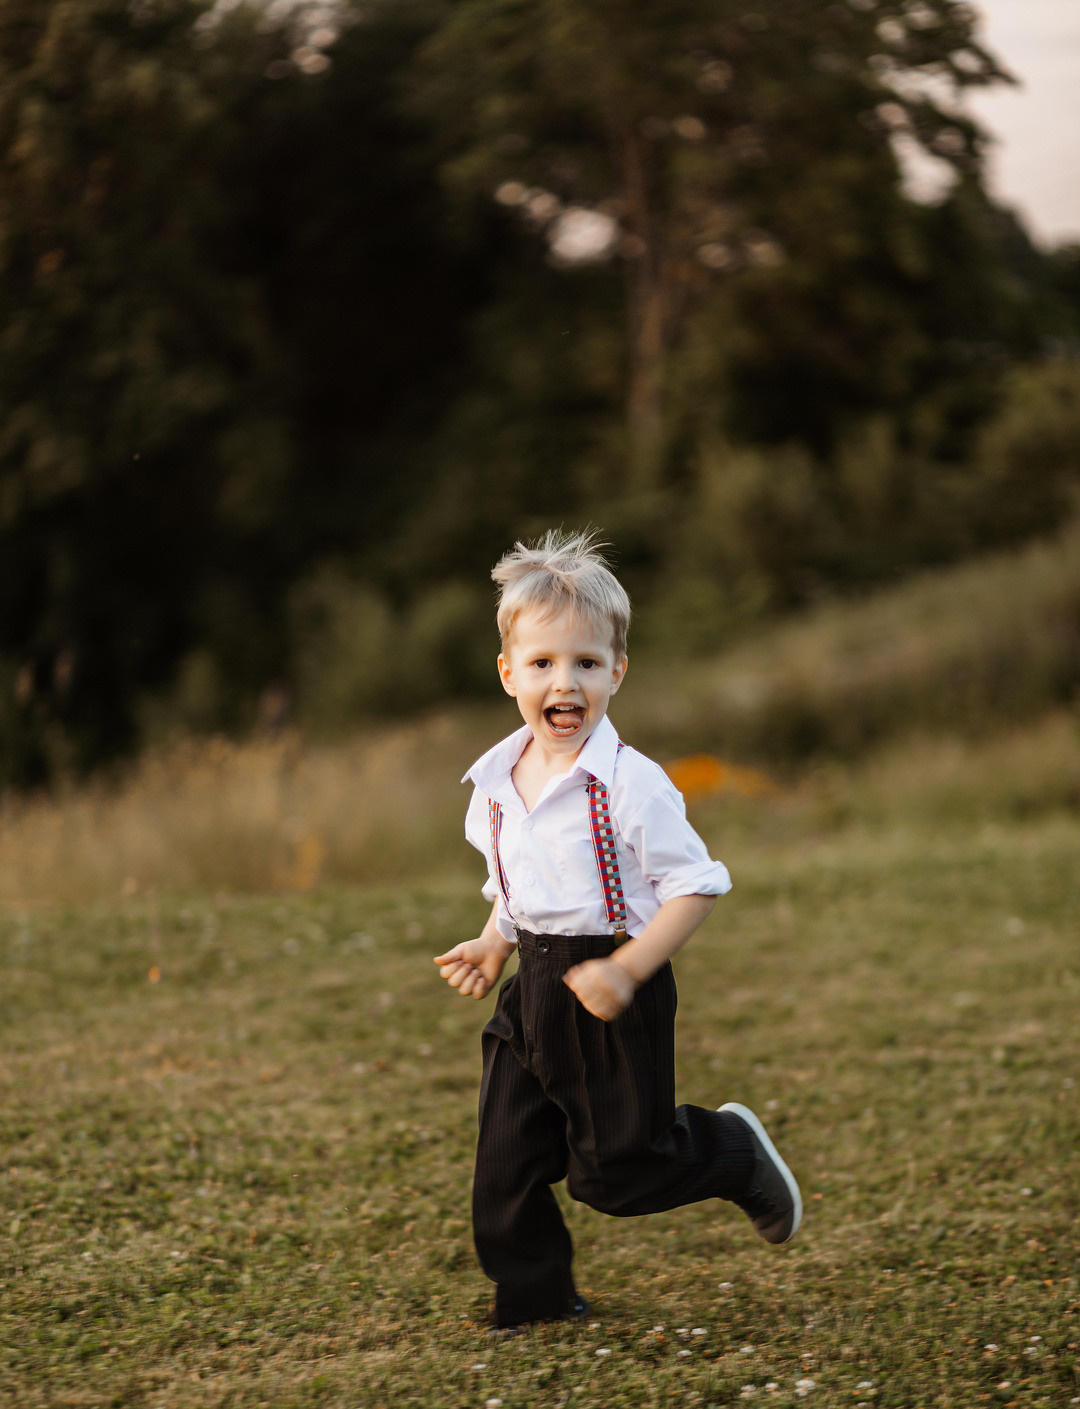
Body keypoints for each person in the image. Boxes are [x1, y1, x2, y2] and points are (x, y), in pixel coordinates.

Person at [434, 530, 801, 1333]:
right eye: (542, 662)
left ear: (616, 672)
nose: (564, 681)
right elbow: (518, 882)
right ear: (509, 673)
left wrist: (629, 969)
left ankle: (732, 1150)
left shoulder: (631, 785)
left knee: (616, 1173)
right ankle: (535, 1303)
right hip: (530, 990)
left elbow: (695, 885)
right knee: (504, 1161)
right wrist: (495, 941)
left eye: (586, 662)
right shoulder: (494, 784)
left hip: (612, 990)